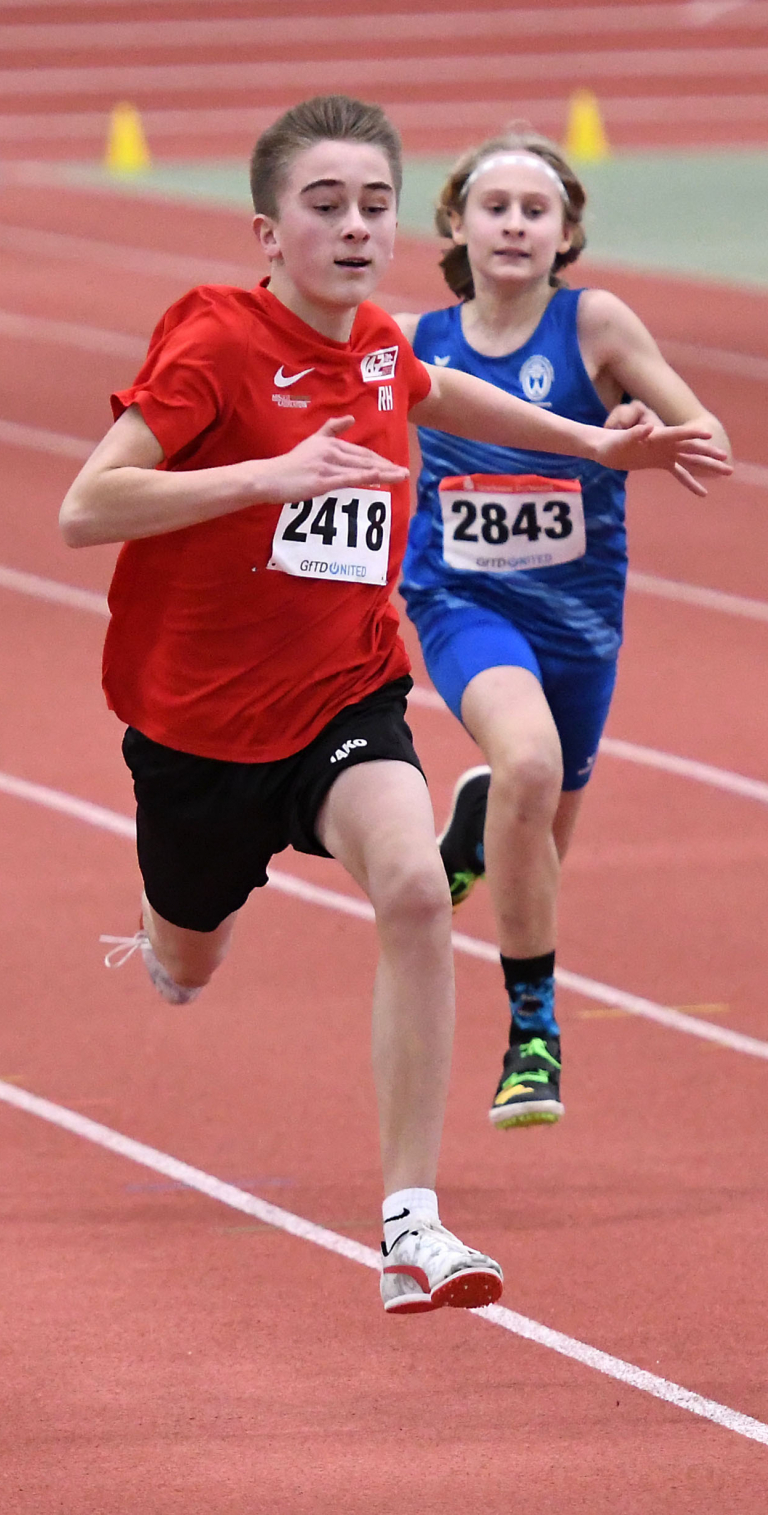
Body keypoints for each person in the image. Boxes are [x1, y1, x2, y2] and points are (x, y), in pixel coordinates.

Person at [59, 97, 729, 1314]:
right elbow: (84, 510)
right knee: (186, 956)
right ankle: (166, 937)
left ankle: (410, 1225)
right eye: (325, 206)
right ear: (268, 232)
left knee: (418, 889)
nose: (355, 226)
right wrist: (271, 474)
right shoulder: (211, 341)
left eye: (373, 204)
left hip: (341, 696)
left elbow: (433, 393)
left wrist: (591, 445)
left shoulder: (376, 341)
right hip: (197, 729)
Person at [395, 130, 731, 1134]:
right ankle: (531, 1036)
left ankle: (476, 822)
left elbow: (701, 436)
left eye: (532, 211)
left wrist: (647, 438)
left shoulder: (593, 326)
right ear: (455, 223)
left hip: (580, 622)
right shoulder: (418, 341)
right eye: (492, 207)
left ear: (565, 234)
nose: (511, 225)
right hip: (460, 604)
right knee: (529, 766)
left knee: (535, 843)